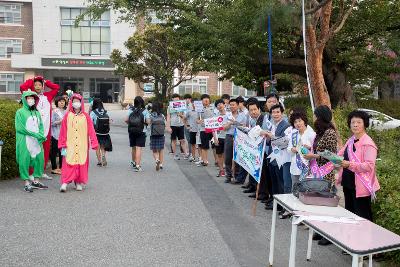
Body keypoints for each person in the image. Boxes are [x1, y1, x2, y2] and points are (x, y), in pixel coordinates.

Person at [303, 105, 338, 245]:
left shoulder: (330, 133)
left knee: (325, 202)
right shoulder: (320, 132)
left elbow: (331, 155)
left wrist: (314, 155)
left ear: (321, 116)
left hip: (326, 173)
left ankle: (328, 235)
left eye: (315, 115)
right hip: (316, 171)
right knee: (318, 201)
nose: (313, 117)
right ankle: (320, 230)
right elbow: (318, 149)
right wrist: (309, 150)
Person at [337, 110, 380, 221]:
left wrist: (349, 164)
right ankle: (351, 238)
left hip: (361, 185)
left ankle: (366, 238)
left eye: (359, 122)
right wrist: (331, 157)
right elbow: (340, 154)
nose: (355, 125)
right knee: (350, 215)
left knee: (362, 217)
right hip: (348, 183)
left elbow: (369, 166)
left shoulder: (368, 143)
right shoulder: (350, 140)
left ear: (365, 124)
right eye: (352, 122)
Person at [20, 76, 60, 180]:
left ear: (43, 86)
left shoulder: (48, 95)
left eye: (40, 85)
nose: (38, 86)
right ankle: (31, 173)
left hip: (46, 128)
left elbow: (56, 88)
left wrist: (47, 82)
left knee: (45, 151)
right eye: (36, 85)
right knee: (33, 150)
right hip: (34, 130)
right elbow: (22, 87)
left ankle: (40, 171)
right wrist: (32, 80)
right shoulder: (30, 97)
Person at [58, 94, 98, 192]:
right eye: (74, 101)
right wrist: (62, 143)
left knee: (81, 162)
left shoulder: (86, 116)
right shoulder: (67, 116)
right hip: (70, 144)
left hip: (82, 145)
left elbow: (91, 131)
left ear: (81, 103)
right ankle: (65, 182)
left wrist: (94, 142)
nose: (76, 103)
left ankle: (78, 182)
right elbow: (63, 131)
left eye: (78, 101)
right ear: (71, 103)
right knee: (68, 162)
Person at [15, 90, 48, 192]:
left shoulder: (37, 112)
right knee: (24, 160)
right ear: (24, 100)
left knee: (39, 159)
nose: (31, 100)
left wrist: (41, 135)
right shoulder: (20, 112)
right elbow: (20, 128)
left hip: (36, 141)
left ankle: (36, 181)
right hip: (25, 140)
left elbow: (41, 125)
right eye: (28, 98)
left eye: (32, 98)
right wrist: (35, 135)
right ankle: (26, 182)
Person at [242, 98, 273, 197]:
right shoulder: (252, 120)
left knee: (263, 173)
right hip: (256, 149)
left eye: (255, 109)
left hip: (265, 150)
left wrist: (262, 132)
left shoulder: (265, 118)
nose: (253, 112)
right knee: (257, 171)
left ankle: (264, 193)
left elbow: (268, 132)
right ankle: (257, 190)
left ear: (259, 109)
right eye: (251, 110)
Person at [287, 110, 316, 186]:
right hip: (294, 168)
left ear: (304, 121)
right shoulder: (293, 135)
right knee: (295, 191)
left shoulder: (312, 134)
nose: (297, 124)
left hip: (307, 168)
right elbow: (288, 149)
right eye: (295, 122)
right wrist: (292, 149)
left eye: (299, 121)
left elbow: (315, 150)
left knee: (306, 192)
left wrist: (309, 148)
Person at [223, 98, 247, 183]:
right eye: (231, 105)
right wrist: (230, 123)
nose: (232, 106)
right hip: (229, 136)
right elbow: (224, 128)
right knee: (228, 157)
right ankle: (228, 176)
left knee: (238, 157)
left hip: (239, 137)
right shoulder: (227, 115)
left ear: (237, 105)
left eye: (234, 105)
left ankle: (237, 176)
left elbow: (244, 126)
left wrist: (235, 122)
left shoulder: (243, 115)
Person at [125, 96, 150, 172]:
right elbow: (148, 122)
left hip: (132, 130)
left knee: (133, 147)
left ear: (135, 102)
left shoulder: (130, 110)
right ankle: (138, 165)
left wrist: (131, 124)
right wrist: (144, 122)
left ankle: (133, 162)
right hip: (141, 131)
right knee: (139, 148)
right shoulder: (145, 111)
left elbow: (126, 120)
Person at [90, 98, 112, 167]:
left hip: (96, 132)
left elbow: (90, 122)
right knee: (103, 146)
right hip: (105, 132)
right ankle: (103, 155)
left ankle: (99, 161)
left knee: (97, 147)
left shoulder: (93, 112)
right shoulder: (105, 111)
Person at [166, 94, 188, 160]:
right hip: (173, 125)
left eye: (177, 99)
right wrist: (168, 126)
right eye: (175, 99)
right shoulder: (170, 107)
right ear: (172, 99)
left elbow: (185, 116)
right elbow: (168, 117)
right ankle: (174, 154)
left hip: (180, 125)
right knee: (173, 140)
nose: (176, 100)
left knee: (182, 140)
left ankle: (186, 153)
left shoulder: (182, 106)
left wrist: (180, 114)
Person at [50, 96, 67, 175]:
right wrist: (59, 122)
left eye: (63, 101)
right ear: (57, 102)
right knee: (54, 152)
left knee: (62, 152)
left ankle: (61, 167)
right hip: (55, 134)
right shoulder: (54, 111)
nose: (62, 102)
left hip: (64, 135)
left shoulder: (67, 112)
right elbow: (51, 123)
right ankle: (54, 168)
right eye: (60, 101)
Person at [197, 94, 215, 166]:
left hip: (213, 129)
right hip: (203, 129)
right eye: (204, 100)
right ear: (202, 101)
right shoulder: (199, 109)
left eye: (207, 100)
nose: (206, 101)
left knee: (215, 145)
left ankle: (216, 160)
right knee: (204, 146)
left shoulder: (214, 108)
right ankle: (205, 161)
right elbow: (197, 119)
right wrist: (198, 121)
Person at [149, 101, 166, 171]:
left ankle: (156, 159)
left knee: (154, 150)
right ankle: (161, 164)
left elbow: (149, 123)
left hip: (153, 134)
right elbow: (165, 123)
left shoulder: (151, 115)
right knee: (161, 149)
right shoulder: (162, 115)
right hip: (161, 134)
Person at [214, 99, 228, 178]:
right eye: (218, 105)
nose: (219, 106)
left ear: (224, 104)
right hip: (219, 137)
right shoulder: (216, 116)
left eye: (220, 104)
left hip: (228, 137)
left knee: (227, 155)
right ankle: (221, 170)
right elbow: (213, 129)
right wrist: (215, 139)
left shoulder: (229, 115)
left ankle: (228, 171)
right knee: (219, 154)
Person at [186, 98, 200, 162]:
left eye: (197, 103)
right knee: (193, 144)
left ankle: (200, 157)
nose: (195, 104)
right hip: (192, 130)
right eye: (193, 103)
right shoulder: (189, 111)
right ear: (192, 103)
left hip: (200, 130)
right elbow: (184, 118)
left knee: (200, 144)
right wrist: (187, 126)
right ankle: (193, 156)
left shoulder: (201, 111)